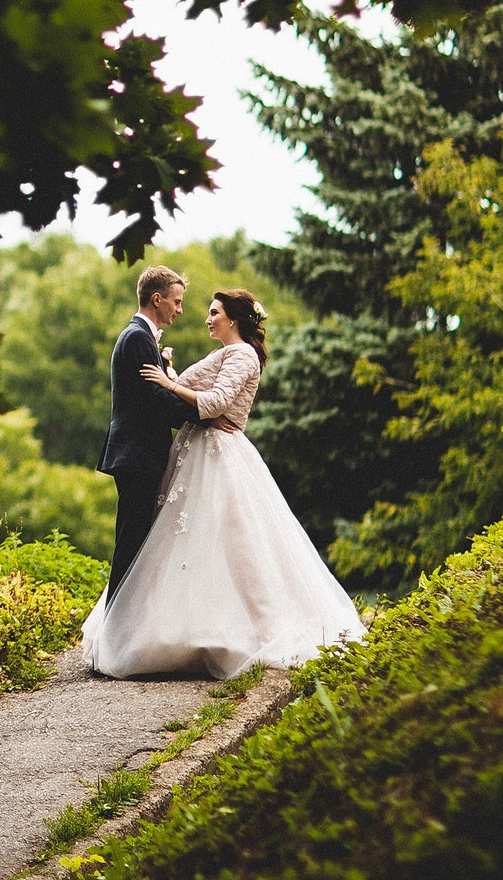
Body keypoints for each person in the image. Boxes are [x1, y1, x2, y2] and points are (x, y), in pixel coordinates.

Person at [82, 288, 364, 678]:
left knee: (231, 541)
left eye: (213, 313)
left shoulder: (244, 355)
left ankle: (240, 627)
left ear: (233, 318)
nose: (206, 318)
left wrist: (169, 386)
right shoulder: (220, 354)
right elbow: (190, 387)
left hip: (220, 452)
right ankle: (168, 626)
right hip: (195, 449)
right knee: (179, 541)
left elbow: (214, 403)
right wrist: (169, 374)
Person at [96, 265, 197, 600]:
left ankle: (121, 630)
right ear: (157, 299)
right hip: (137, 455)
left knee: (135, 540)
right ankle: (115, 632)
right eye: (176, 301)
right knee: (131, 543)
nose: (179, 310)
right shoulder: (138, 337)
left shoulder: (138, 337)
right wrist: (203, 413)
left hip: (136, 454)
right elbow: (155, 400)